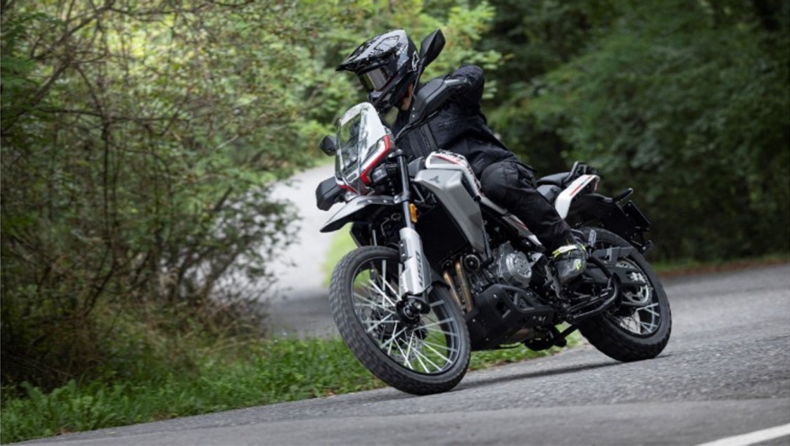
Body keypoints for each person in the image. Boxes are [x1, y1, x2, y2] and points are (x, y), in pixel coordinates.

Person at [336, 29, 586, 284]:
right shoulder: (395, 133)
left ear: (399, 64)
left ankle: (565, 246)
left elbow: (475, 74)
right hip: (448, 201)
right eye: (369, 81)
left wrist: (457, 82)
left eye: (377, 77)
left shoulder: (444, 96)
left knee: (498, 179)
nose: (374, 87)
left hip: (488, 173)